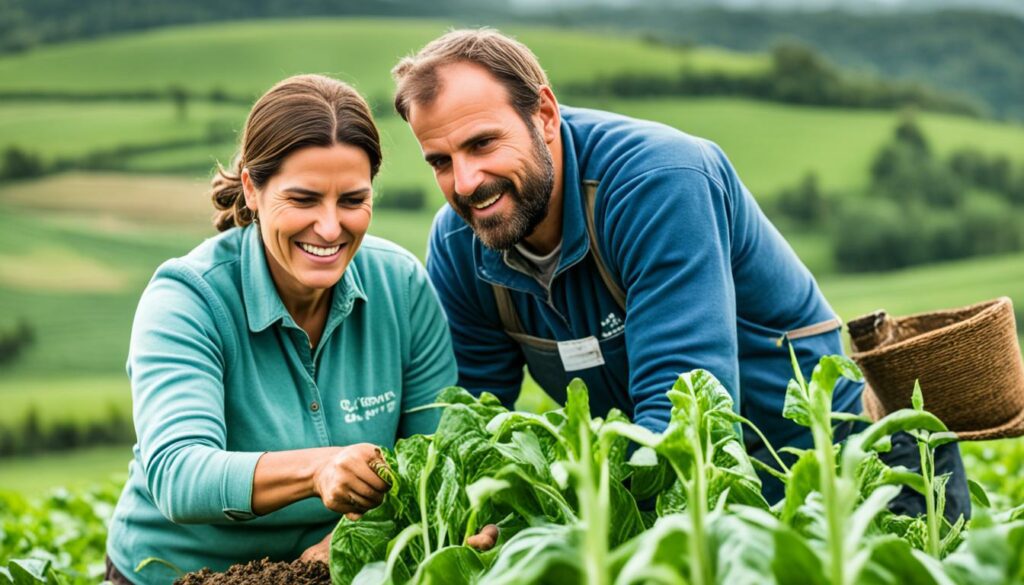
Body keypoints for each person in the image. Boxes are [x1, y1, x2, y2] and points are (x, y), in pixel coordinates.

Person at [391, 28, 969, 513]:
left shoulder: (658, 183)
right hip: (700, 501)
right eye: (440, 161)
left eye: (483, 143)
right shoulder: (462, 242)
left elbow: (685, 405)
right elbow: (474, 420)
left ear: (544, 115)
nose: (465, 183)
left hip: (848, 484)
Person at [104, 74, 458, 584]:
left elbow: (435, 461)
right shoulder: (188, 297)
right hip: (177, 572)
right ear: (252, 186)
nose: (331, 227)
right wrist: (319, 470)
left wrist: (348, 544)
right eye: (305, 199)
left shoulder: (401, 287)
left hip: (335, 569)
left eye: (353, 200)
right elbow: (179, 473)